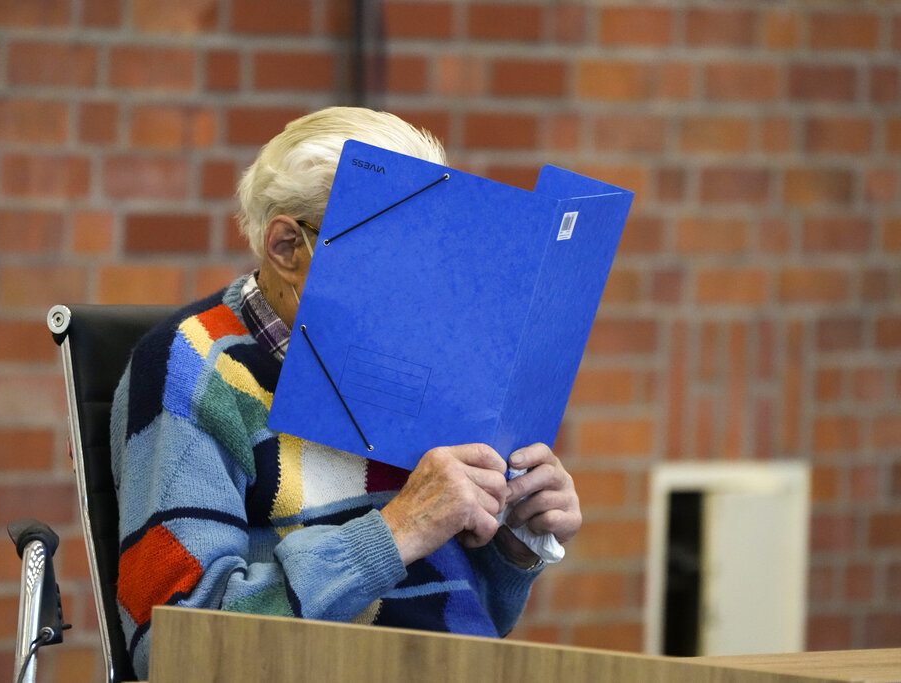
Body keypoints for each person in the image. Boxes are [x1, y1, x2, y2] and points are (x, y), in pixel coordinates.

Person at [110, 106, 582, 678]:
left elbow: (467, 618)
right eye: (388, 252)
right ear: (287, 247)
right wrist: (396, 531)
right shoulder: (192, 366)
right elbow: (172, 643)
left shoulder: (420, 356)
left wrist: (514, 547)